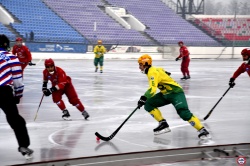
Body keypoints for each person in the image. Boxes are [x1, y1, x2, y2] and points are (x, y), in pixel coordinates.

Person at [137, 54, 210, 139]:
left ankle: (202, 130)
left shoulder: (151, 72)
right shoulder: (154, 70)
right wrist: (165, 73)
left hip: (175, 93)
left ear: (146, 64)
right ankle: (162, 123)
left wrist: (143, 98)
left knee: (183, 113)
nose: (139, 67)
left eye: (140, 65)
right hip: (165, 94)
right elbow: (161, 69)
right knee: (149, 104)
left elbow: (152, 89)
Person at [0, 34, 33, 159]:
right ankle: (23, 146)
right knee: (16, 120)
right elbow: (18, 80)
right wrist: (18, 95)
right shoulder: (11, 58)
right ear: (6, 45)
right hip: (3, 90)